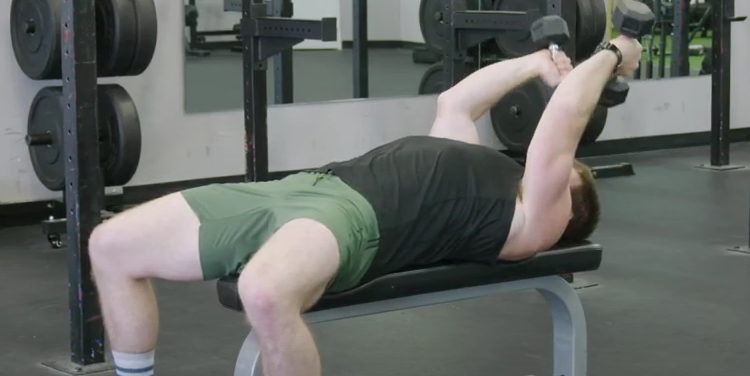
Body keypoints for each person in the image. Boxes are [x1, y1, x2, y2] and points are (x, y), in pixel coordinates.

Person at [88, 35, 643, 376]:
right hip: (300, 188)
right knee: (110, 246)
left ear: (570, 210)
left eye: (562, 177)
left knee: (265, 292)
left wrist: (613, 53)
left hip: (352, 222)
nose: (539, 167)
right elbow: (456, 102)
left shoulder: (536, 223)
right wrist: (537, 65)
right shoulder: (484, 169)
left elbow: (560, 127)